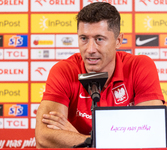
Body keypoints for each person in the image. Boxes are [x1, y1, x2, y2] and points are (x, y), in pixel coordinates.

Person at [35, 2, 164, 148]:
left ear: (118, 41)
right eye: (84, 38)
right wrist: (116, 141)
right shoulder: (64, 70)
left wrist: (84, 140)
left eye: (99, 39)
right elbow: (44, 139)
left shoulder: (139, 67)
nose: (90, 49)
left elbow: (152, 137)